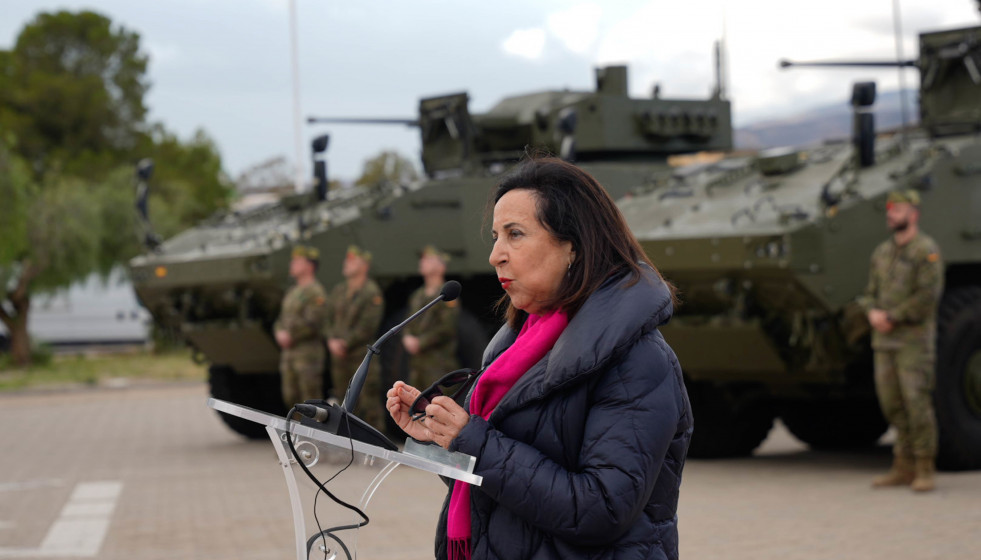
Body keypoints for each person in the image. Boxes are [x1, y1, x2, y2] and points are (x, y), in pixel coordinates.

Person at [387, 157, 693, 560]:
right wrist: (442, 440)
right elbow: (501, 495)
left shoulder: (637, 361)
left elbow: (600, 509)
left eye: (515, 234)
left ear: (573, 247)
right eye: (496, 236)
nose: (496, 255)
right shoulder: (513, 352)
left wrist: (474, 440)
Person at [859, 189, 944, 492]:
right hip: (884, 342)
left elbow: (927, 297)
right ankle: (902, 465)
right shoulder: (882, 253)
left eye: (898, 210)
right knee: (892, 405)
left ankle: (925, 467)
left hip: (913, 342)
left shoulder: (926, 251)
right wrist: (871, 313)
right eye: (890, 210)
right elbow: (869, 292)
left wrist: (892, 316)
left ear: (914, 214)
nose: (891, 214)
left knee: (916, 403)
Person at [324, 245, 385, 428]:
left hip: (361, 357)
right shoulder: (339, 290)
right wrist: (331, 340)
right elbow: (327, 319)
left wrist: (345, 342)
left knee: (368, 402)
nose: (346, 263)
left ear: (364, 266)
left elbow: (368, 325)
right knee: (343, 402)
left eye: (352, 261)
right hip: (340, 357)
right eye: (347, 260)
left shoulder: (371, 292)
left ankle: (375, 443)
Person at [274, 245, 328, 408]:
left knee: (310, 401)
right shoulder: (292, 292)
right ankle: (297, 433)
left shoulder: (316, 292)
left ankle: (313, 433)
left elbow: (314, 321)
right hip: (290, 355)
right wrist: (279, 332)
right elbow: (281, 319)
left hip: (307, 355)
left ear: (309, 266)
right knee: (291, 399)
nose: (292, 264)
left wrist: (291, 335)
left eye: (297, 261)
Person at [403, 245, 460, 389]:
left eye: (428, 259)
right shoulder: (418, 295)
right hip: (417, 366)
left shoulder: (448, 297)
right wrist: (407, 337)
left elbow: (446, 328)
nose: (422, 262)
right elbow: (409, 321)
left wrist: (420, 343)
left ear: (441, 266)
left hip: (438, 365)